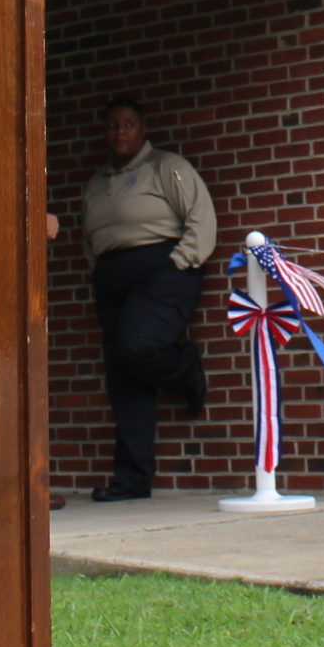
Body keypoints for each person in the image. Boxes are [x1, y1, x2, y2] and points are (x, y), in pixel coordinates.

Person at [82, 98, 216, 503]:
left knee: (137, 346)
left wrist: (180, 263)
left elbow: (201, 218)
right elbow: (91, 238)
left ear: (142, 129)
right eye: (113, 125)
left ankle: (184, 367)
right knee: (123, 380)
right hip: (112, 279)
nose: (120, 132)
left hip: (163, 272)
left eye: (128, 124)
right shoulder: (97, 182)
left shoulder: (166, 167)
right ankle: (132, 479)